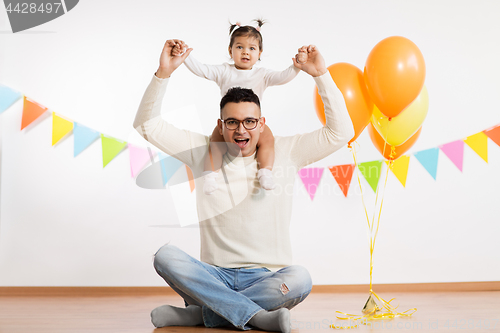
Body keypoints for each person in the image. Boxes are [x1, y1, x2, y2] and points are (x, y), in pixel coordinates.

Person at [133, 39, 354, 332]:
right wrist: (164, 73)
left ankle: (204, 313)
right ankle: (256, 317)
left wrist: (320, 75)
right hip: (212, 276)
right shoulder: (201, 151)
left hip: (268, 278)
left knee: (300, 278)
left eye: (250, 122)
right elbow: (146, 125)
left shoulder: (287, 152)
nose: (241, 130)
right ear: (220, 124)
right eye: (232, 122)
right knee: (165, 257)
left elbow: (341, 133)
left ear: (262, 123)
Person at [176, 19, 307, 195]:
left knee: (268, 140)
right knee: (215, 144)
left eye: (252, 48)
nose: (245, 52)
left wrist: (296, 66)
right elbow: (201, 69)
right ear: (230, 50)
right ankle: (209, 176)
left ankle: (265, 172)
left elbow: (283, 77)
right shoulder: (223, 71)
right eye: (240, 47)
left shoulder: (262, 75)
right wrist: (185, 56)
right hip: (228, 124)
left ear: (260, 52)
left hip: (253, 123)